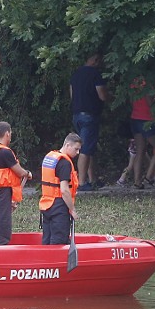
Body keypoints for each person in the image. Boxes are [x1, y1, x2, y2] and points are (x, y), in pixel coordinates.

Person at [69, 51, 109, 191]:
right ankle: (81, 182)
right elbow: (102, 95)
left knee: (89, 147)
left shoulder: (76, 74)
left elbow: (72, 95)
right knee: (85, 149)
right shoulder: (95, 75)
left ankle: (92, 180)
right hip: (90, 115)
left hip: (77, 115)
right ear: (95, 61)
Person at [39, 133, 82, 245]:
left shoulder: (50, 157)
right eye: (76, 149)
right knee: (59, 241)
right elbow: (64, 190)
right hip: (59, 206)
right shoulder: (64, 163)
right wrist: (72, 209)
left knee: (47, 240)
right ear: (68, 145)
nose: (77, 153)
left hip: (47, 204)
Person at [128, 77, 155, 188]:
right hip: (147, 119)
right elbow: (150, 103)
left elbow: (131, 102)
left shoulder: (132, 83)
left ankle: (137, 181)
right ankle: (149, 177)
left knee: (140, 151)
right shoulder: (147, 84)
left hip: (135, 118)